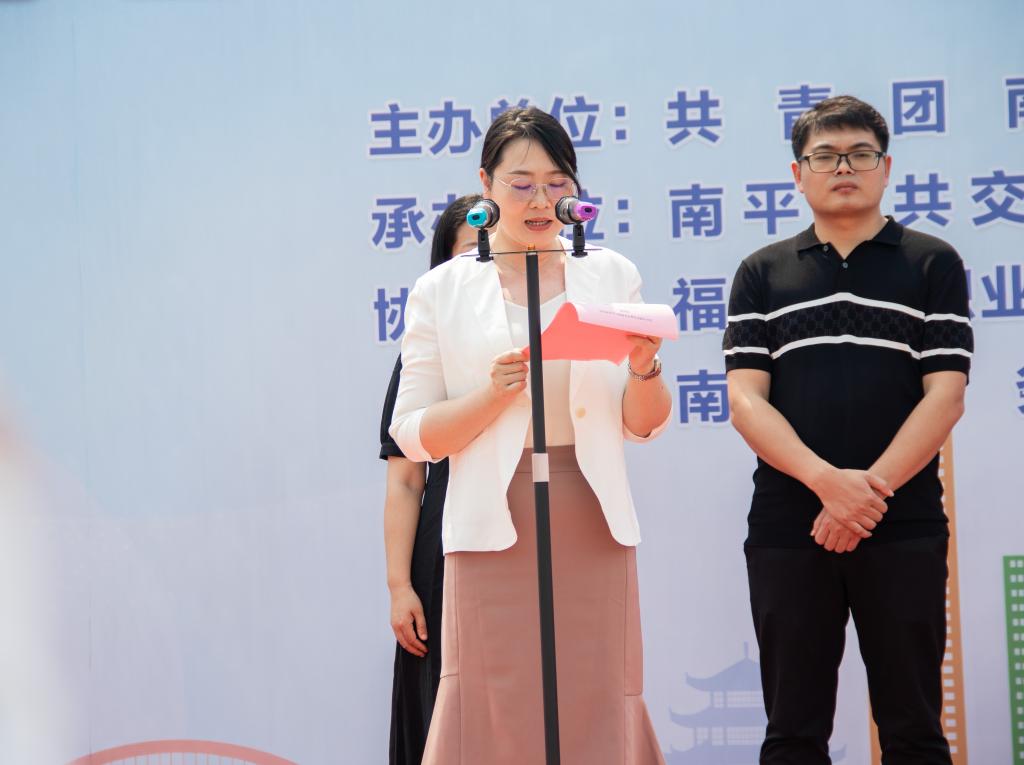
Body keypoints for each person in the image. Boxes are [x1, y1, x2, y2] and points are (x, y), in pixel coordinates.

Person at [390, 106, 672, 765]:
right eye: (521, 184)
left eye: (557, 183)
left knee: (597, 689)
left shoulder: (611, 274)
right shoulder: (442, 289)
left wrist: (644, 366)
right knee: (495, 696)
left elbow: (644, 422)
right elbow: (413, 434)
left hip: (590, 507)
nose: (541, 201)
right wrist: (490, 396)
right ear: (485, 184)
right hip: (491, 511)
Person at [723, 95, 972, 764]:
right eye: (825, 156)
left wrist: (868, 493)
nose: (843, 168)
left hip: (902, 520)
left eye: (860, 154)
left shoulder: (931, 263)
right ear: (797, 173)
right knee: (792, 732)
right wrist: (827, 485)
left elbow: (946, 395)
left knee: (914, 728)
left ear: (885, 168)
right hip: (789, 525)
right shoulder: (762, 272)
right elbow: (745, 400)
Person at [380, 193, 481, 765]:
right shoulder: (423, 351)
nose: (484, 262)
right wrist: (400, 586)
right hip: (441, 555)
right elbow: (404, 482)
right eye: (470, 252)